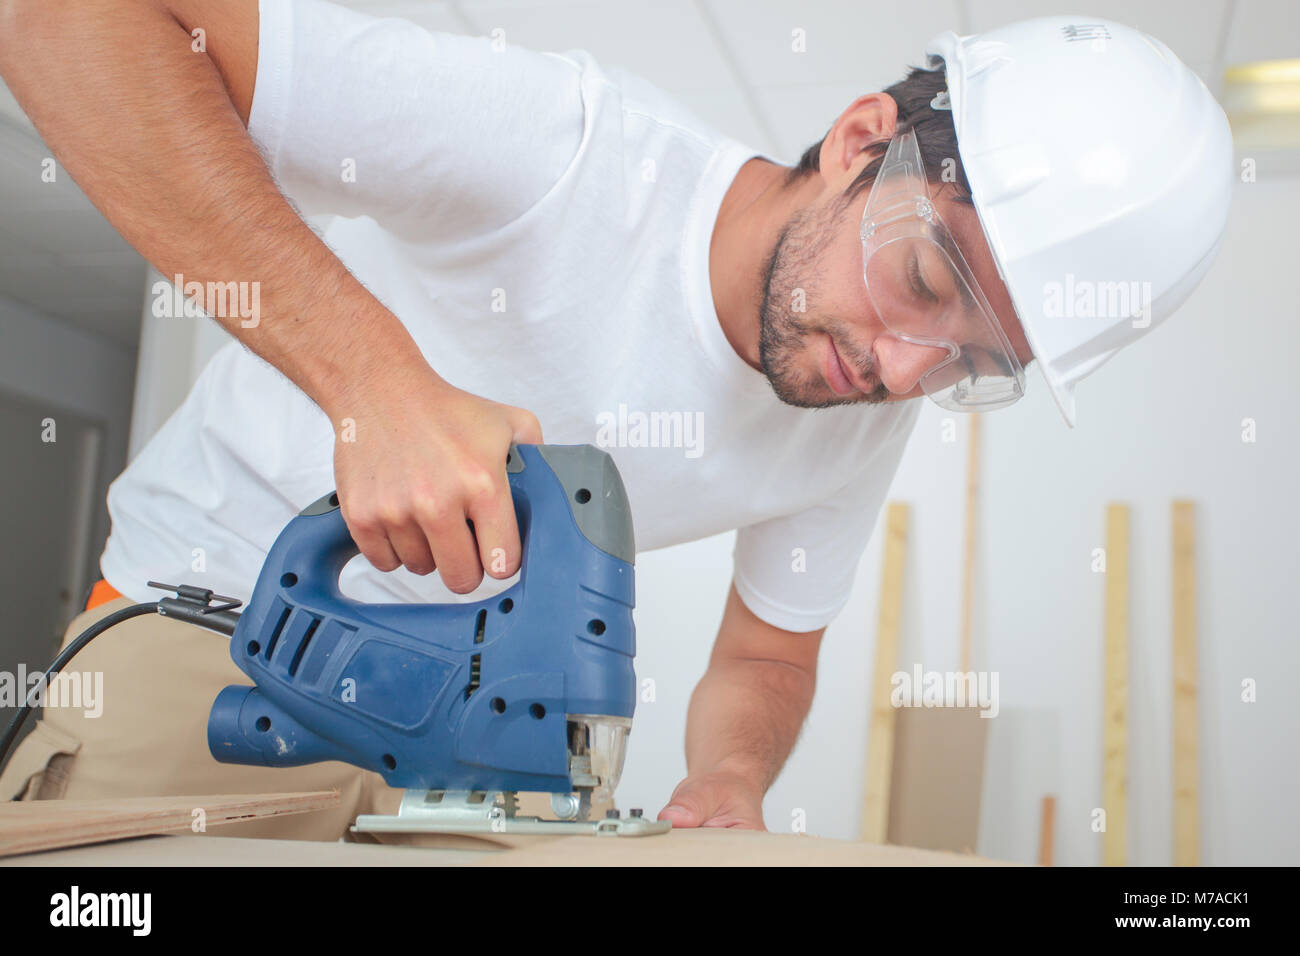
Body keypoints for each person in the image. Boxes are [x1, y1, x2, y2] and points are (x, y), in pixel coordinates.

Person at [0, 1, 1230, 836]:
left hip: (485, 757)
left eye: (973, 363)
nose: (905, 372)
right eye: (922, 281)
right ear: (864, 142)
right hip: (220, 659)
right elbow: (74, 18)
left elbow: (767, 654)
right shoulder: (563, 150)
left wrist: (728, 778)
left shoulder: (862, 409)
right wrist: (372, 381)